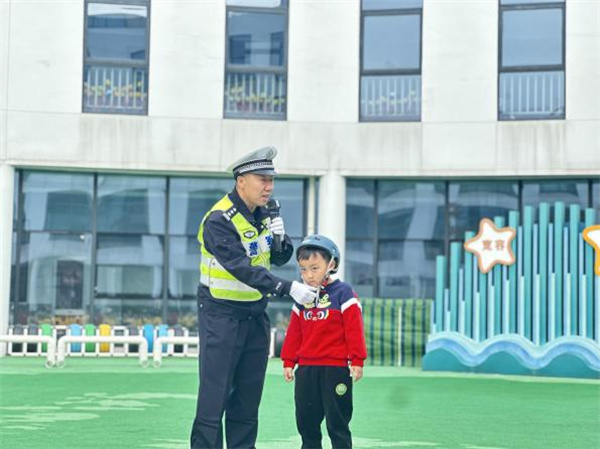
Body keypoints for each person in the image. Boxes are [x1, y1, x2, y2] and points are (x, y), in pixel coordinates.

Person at [190, 146, 318, 449]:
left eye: (271, 180)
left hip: (255, 315)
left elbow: (278, 258)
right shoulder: (219, 220)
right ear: (241, 181)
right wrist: (288, 288)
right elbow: (241, 268)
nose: (269, 187)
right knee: (214, 397)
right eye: (262, 179)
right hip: (220, 315)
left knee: (248, 399)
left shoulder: (265, 213)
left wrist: (281, 238)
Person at [280, 235, 367, 449]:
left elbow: (354, 329)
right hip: (306, 369)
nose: (308, 275)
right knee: (306, 422)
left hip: (335, 369)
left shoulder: (344, 293)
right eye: (303, 269)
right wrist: (289, 361)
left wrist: (357, 360)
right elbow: (294, 332)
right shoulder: (302, 297)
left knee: (337, 422)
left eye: (314, 268)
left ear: (331, 265)